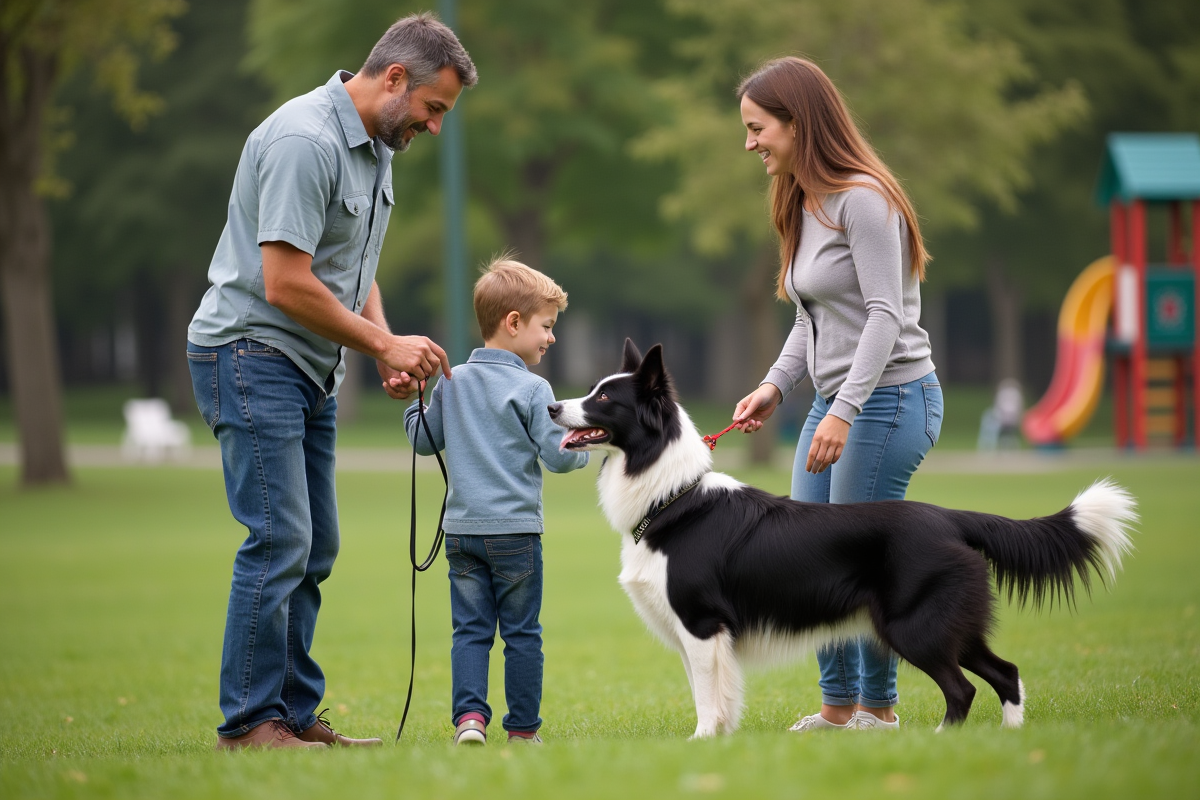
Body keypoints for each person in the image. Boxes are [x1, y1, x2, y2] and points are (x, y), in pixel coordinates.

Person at [186, 13, 477, 750]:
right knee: (279, 538)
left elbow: (351, 260)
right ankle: (250, 724)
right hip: (252, 353)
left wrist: (379, 349)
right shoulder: (304, 141)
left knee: (315, 546)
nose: (435, 127)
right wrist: (384, 339)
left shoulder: (374, 147)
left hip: (309, 364)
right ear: (393, 79)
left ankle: (291, 715)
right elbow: (285, 283)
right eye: (433, 109)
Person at [730, 57, 944, 733]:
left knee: (860, 560)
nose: (750, 143)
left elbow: (884, 316)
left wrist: (845, 411)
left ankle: (878, 711)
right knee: (810, 558)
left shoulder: (865, 200)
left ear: (799, 122)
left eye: (758, 127)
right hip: (837, 402)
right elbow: (810, 319)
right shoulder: (800, 200)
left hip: (892, 400)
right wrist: (775, 384)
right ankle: (838, 707)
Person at [404, 258, 590, 746]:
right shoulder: (533, 388)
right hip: (516, 535)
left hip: (463, 534)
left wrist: (414, 399)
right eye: (546, 327)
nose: (550, 338)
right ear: (513, 322)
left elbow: (423, 440)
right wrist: (589, 446)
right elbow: (559, 457)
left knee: (469, 630)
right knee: (522, 634)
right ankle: (523, 731)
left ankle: (469, 720)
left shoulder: (453, 379)